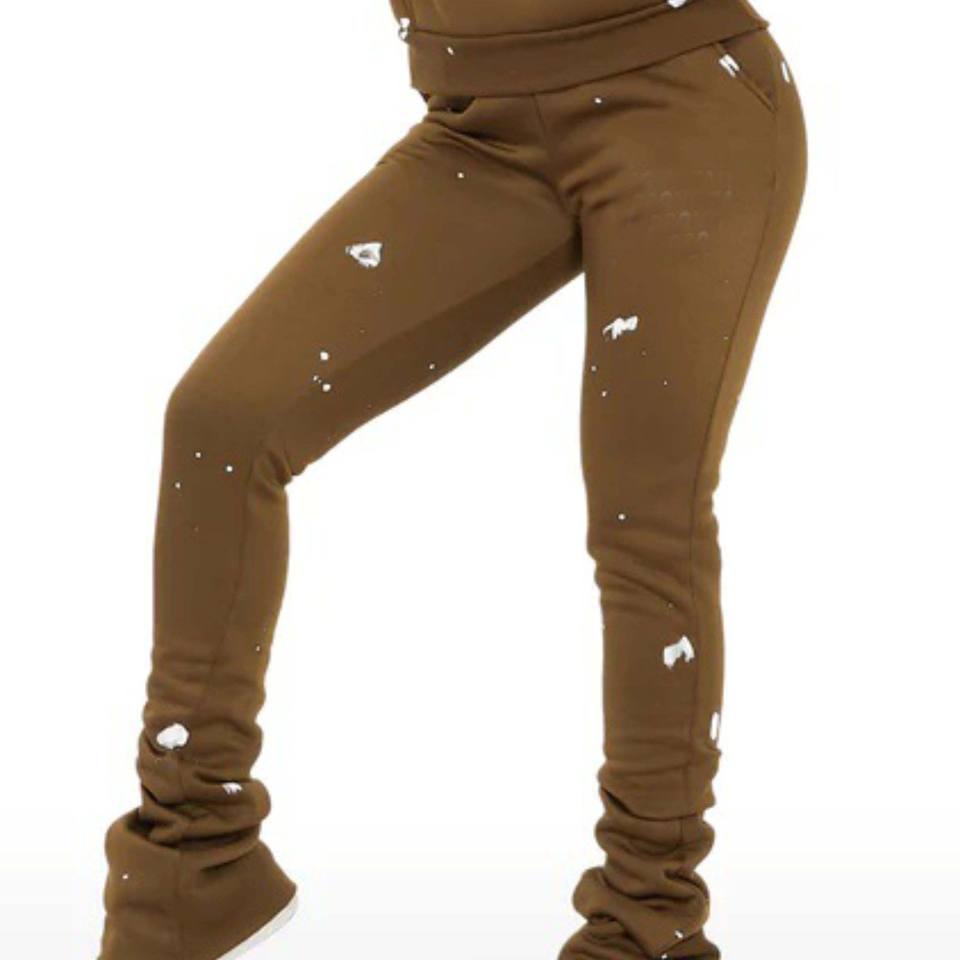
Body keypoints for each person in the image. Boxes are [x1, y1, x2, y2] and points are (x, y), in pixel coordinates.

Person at [99, 2, 806, 958]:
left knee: (647, 520)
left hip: (682, 100)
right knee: (222, 420)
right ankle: (190, 864)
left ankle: (648, 924)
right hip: (482, 127)